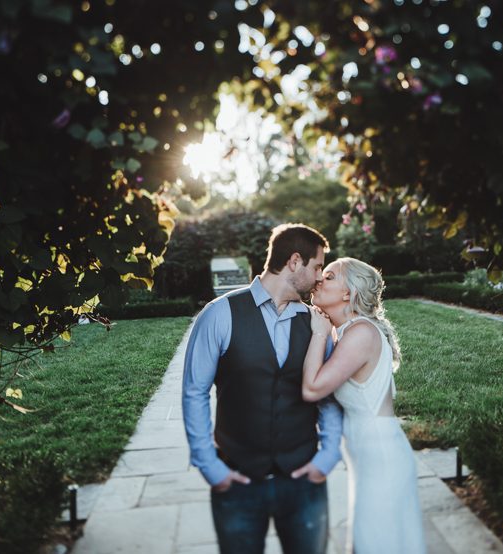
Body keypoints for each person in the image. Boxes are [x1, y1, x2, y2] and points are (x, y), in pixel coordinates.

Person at [182, 223, 343, 554]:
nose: (318, 278)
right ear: (294, 261)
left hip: (303, 481)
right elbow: (194, 391)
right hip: (237, 481)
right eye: (317, 267)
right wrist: (211, 467)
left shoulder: (317, 324)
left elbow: (328, 396)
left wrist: (327, 458)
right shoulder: (219, 315)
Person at [303, 257, 426, 554]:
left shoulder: (360, 333)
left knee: (374, 544)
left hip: (381, 458)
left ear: (349, 292)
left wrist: (318, 332)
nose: (319, 279)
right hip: (366, 456)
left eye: (330, 276)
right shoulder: (346, 330)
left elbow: (312, 388)